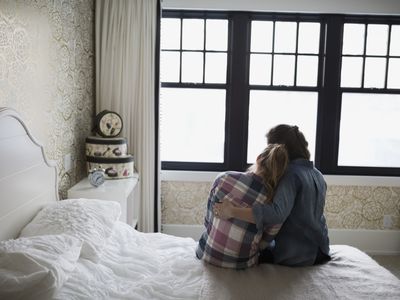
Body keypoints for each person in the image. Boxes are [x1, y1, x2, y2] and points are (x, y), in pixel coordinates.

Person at [214, 124, 331, 266]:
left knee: (249, 252)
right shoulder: (317, 174)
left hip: (298, 255)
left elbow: (276, 214)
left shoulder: (291, 175)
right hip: (321, 249)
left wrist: (232, 211)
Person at [196, 144, 289, 269]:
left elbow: (208, 221)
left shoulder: (223, 178)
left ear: (258, 158)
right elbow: (264, 243)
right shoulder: (273, 203)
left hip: (206, 254)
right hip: (241, 264)